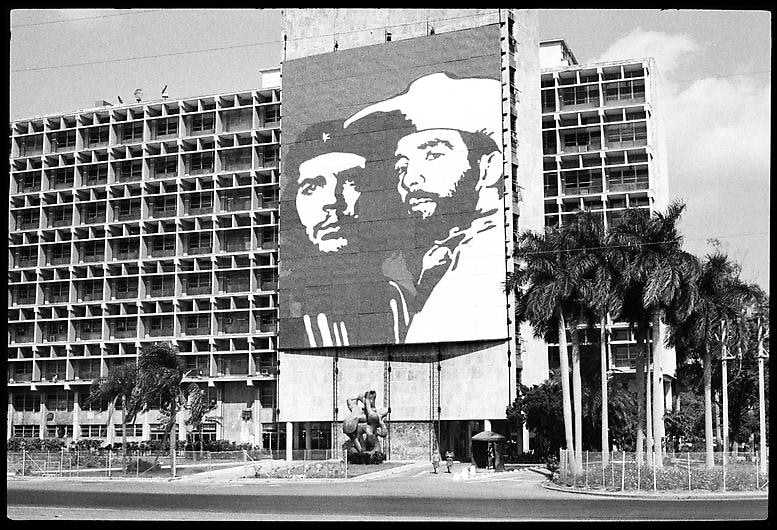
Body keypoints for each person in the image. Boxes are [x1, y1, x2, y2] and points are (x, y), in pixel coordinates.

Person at [344, 73, 508, 343]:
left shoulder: (490, 256)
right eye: (402, 167)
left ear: (489, 168)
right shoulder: (440, 257)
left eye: (433, 155)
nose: (409, 180)